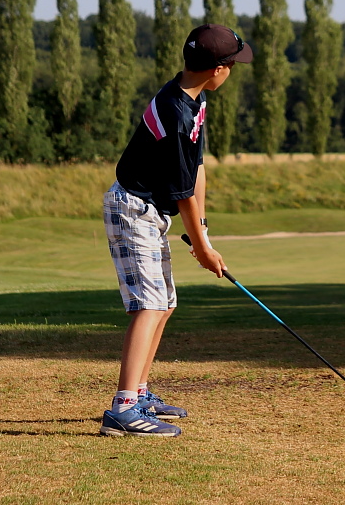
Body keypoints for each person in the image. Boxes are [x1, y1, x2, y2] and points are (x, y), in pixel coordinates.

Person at [99, 23, 252, 437]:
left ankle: (139, 393)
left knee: (164, 303)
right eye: (232, 65)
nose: (232, 71)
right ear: (218, 69)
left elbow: (195, 170)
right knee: (148, 305)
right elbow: (183, 194)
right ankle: (123, 409)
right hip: (132, 209)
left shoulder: (192, 100)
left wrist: (203, 232)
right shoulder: (176, 112)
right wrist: (202, 249)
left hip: (149, 212)